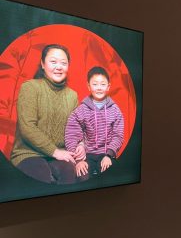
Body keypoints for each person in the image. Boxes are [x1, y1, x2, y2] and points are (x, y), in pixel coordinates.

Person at [10, 44, 85, 184]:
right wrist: (54, 151)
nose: (59, 67)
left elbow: (76, 128)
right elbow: (27, 128)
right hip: (28, 153)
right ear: (43, 64)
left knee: (73, 175)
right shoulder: (30, 87)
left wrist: (81, 144)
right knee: (41, 176)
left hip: (61, 155)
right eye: (53, 61)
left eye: (63, 63)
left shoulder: (72, 95)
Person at [65, 66, 124, 180]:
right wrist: (78, 160)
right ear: (88, 86)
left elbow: (118, 136)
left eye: (103, 84)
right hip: (87, 155)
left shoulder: (115, 110)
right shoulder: (81, 110)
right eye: (95, 84)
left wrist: (109, 155)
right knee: (82, 175)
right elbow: (71, 134)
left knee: (109, 175)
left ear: (108, 86)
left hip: (107, 154)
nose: (99, 88)